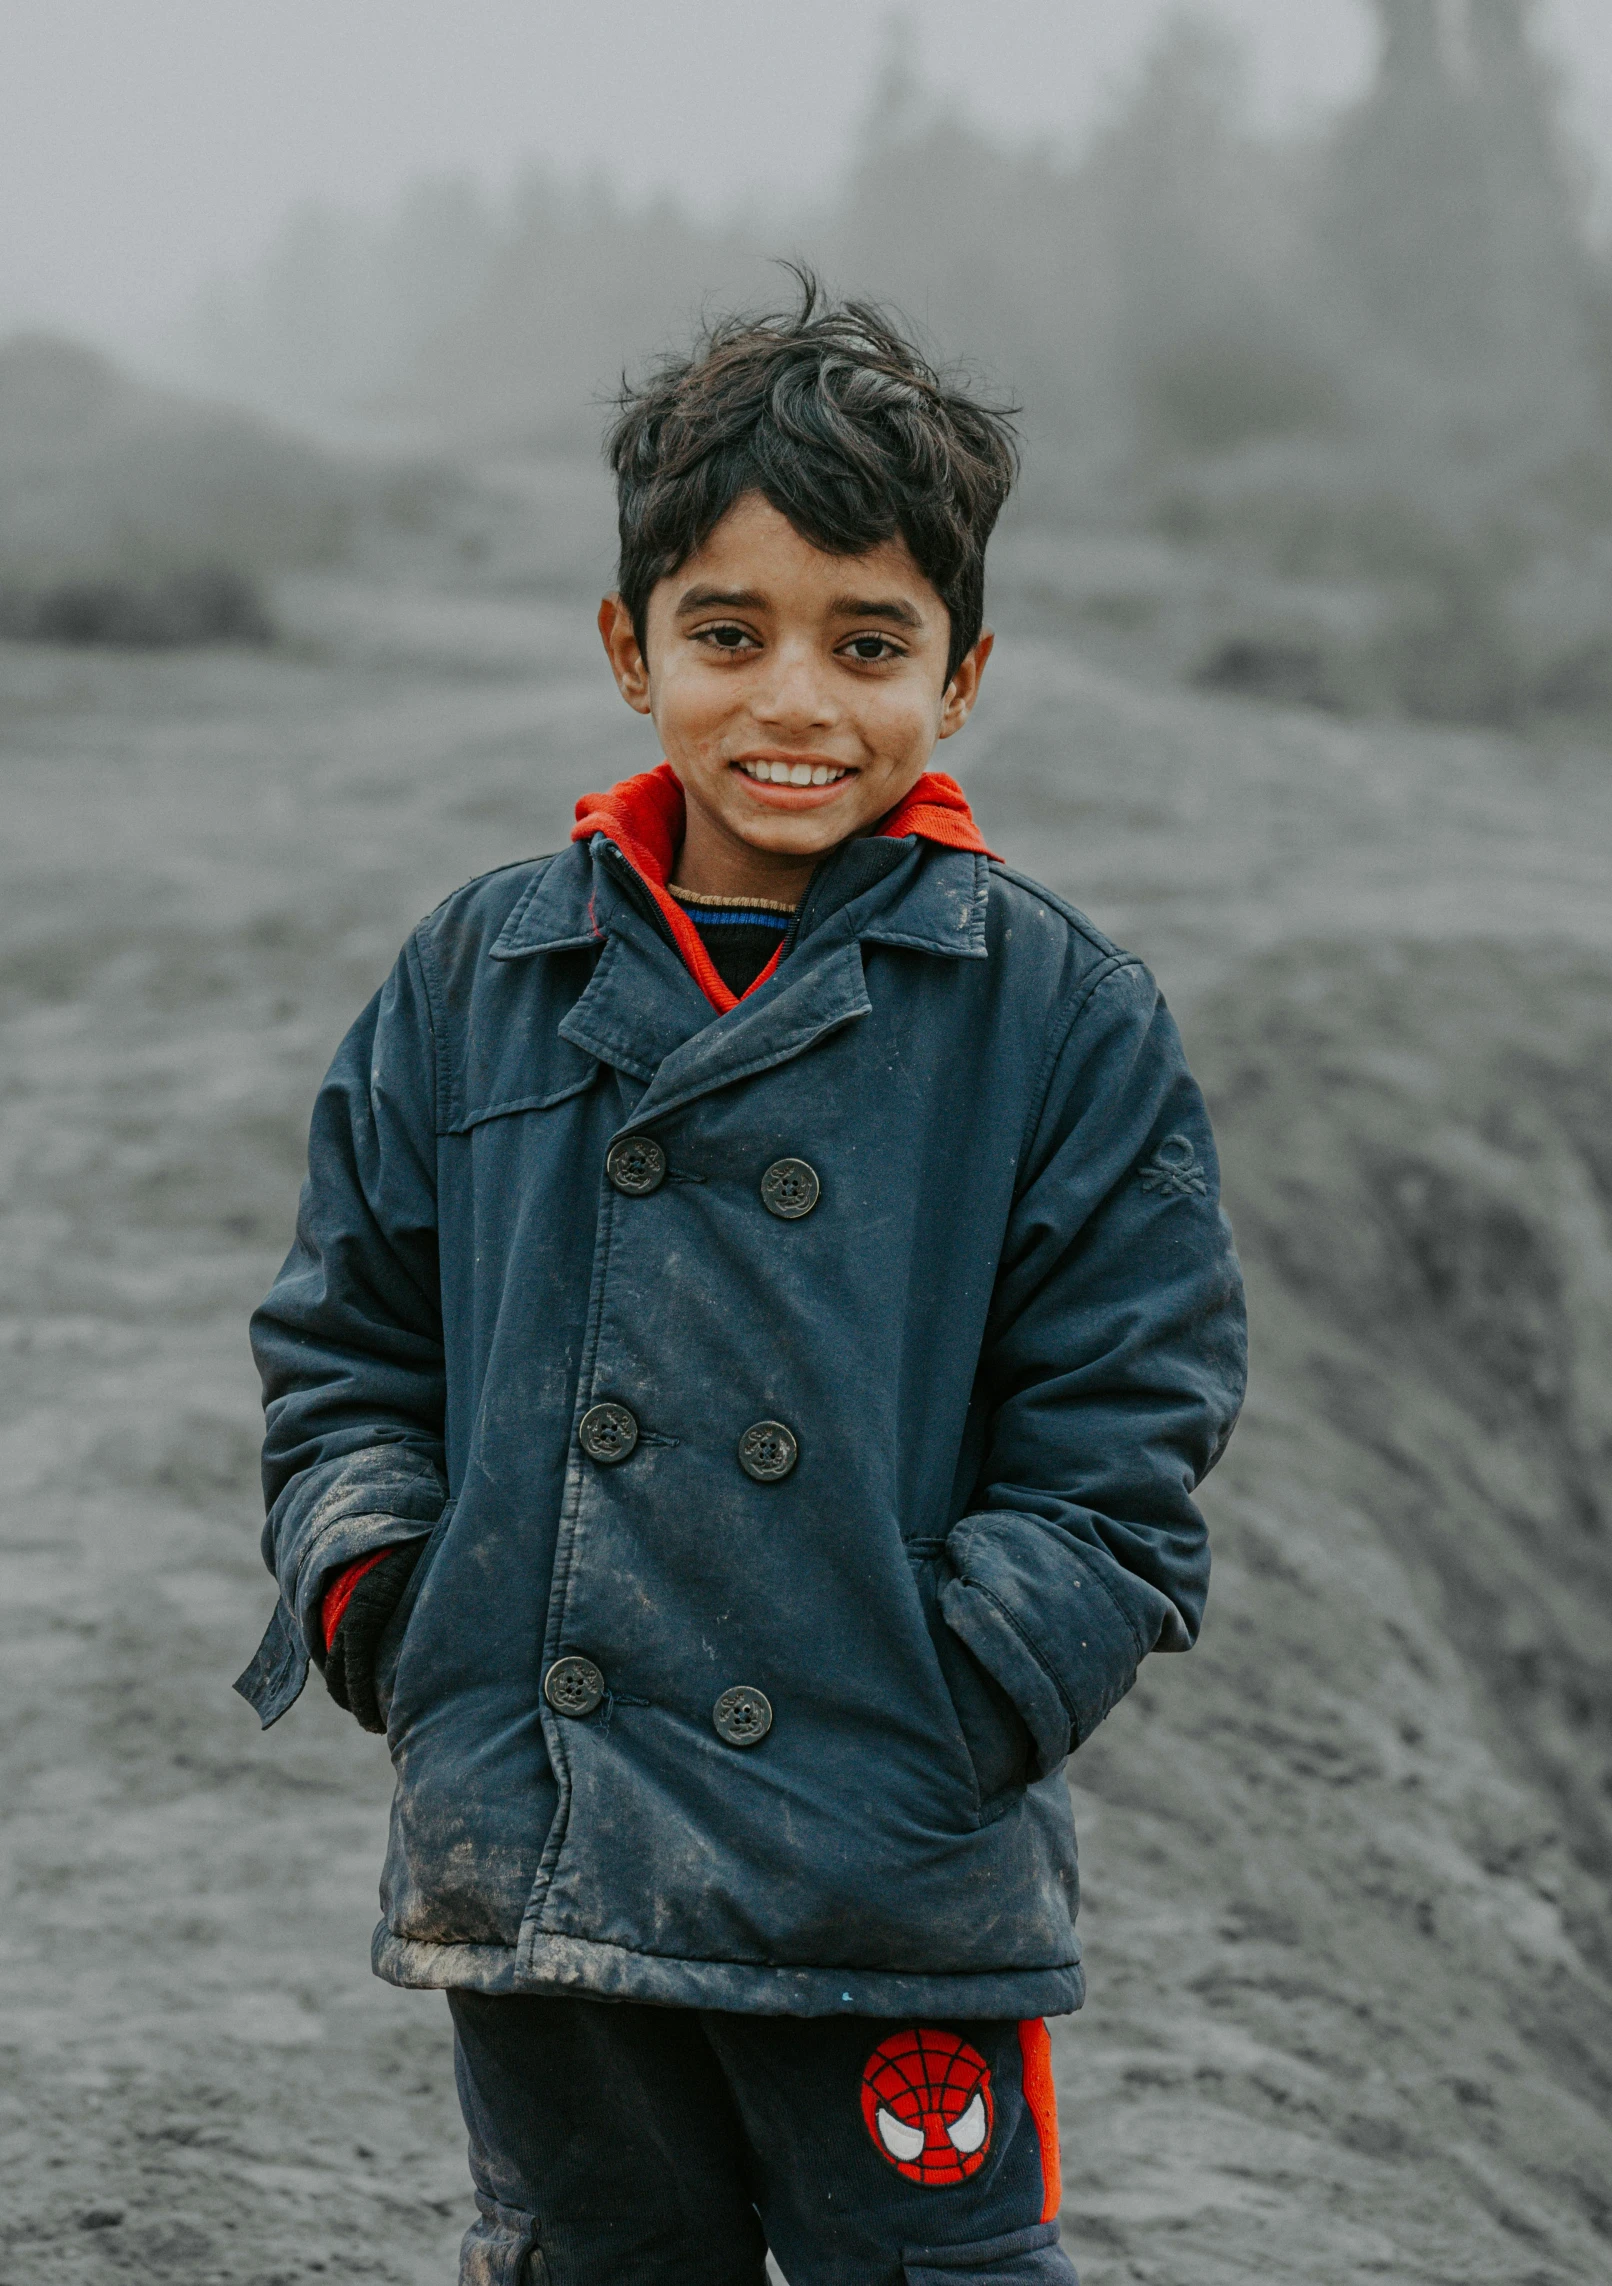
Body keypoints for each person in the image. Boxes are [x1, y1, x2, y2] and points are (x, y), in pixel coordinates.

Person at [237, 275, 1247, 2286]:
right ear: (630, 649)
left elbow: (1126, 1433)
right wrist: (382, 1594)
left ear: (957, 677)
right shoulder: (476, 980)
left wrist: (957, 1692)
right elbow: (344, 1341)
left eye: (864, 643)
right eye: (729, 634)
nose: (794, 701)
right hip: (541, 1828)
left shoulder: (1056, 1021)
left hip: (885, 1857)